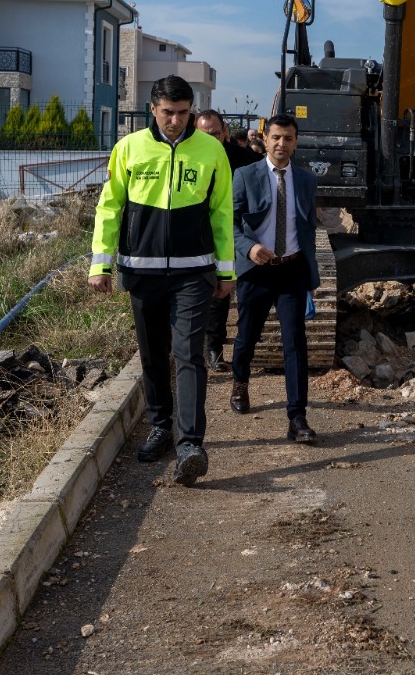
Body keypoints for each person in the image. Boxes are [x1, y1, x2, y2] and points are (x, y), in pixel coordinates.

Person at [90, 76, 235, 485]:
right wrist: (100, 265)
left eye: (183, 113)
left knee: (189, 354)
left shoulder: (212, 151)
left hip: (194, 272)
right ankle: (160, 427)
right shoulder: (129, 148)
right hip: (142, 269)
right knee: (153, 355)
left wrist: (226, 272)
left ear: (192, 111)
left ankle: (190, 443)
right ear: (153, 108)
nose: (175, 120)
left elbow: (222, 214)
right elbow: (109, 207)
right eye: (168, 112)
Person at [229, 113, 320, 442]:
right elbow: (231, 223)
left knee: (295, 343)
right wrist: (249, 248)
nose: (282, 144)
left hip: (292, 270)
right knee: (246, 336)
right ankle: (240, 382)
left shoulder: (307, 181)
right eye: (276, 137)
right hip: (256, 271)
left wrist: (310, 273)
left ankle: (297, 417)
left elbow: (307, 229)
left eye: (289, 139)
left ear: (296, 143)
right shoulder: (245, 176)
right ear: (265, 139)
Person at [194, 110, 259, 374]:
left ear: (225, 133)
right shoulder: (190, 158)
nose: (210, 139)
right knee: (217, 295)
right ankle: (214, 348)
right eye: (203, 134)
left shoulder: (245, 159)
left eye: (215, 134)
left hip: (241, 233)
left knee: (247, 293)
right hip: (207, 234)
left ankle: (247, 347)